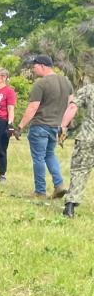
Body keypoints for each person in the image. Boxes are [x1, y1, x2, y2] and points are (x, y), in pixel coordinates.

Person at [16, 54, 74, 198]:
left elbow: (33, 107)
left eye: (35, 67)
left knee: (38, 158)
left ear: (42, 65)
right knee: (50, 154)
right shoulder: (66, 82)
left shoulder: (40, 84)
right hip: (55, 126)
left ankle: (40, 191)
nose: (34, 70)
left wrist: (20, 126)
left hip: (40, 126)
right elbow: (71, 104)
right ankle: (59, 184)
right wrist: (64, 125)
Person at [61, 80, 94, 218]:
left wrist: (63, 126)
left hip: (87, 137)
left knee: (80, 171)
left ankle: (70, 207)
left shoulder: (89, 90)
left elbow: (73, 107)